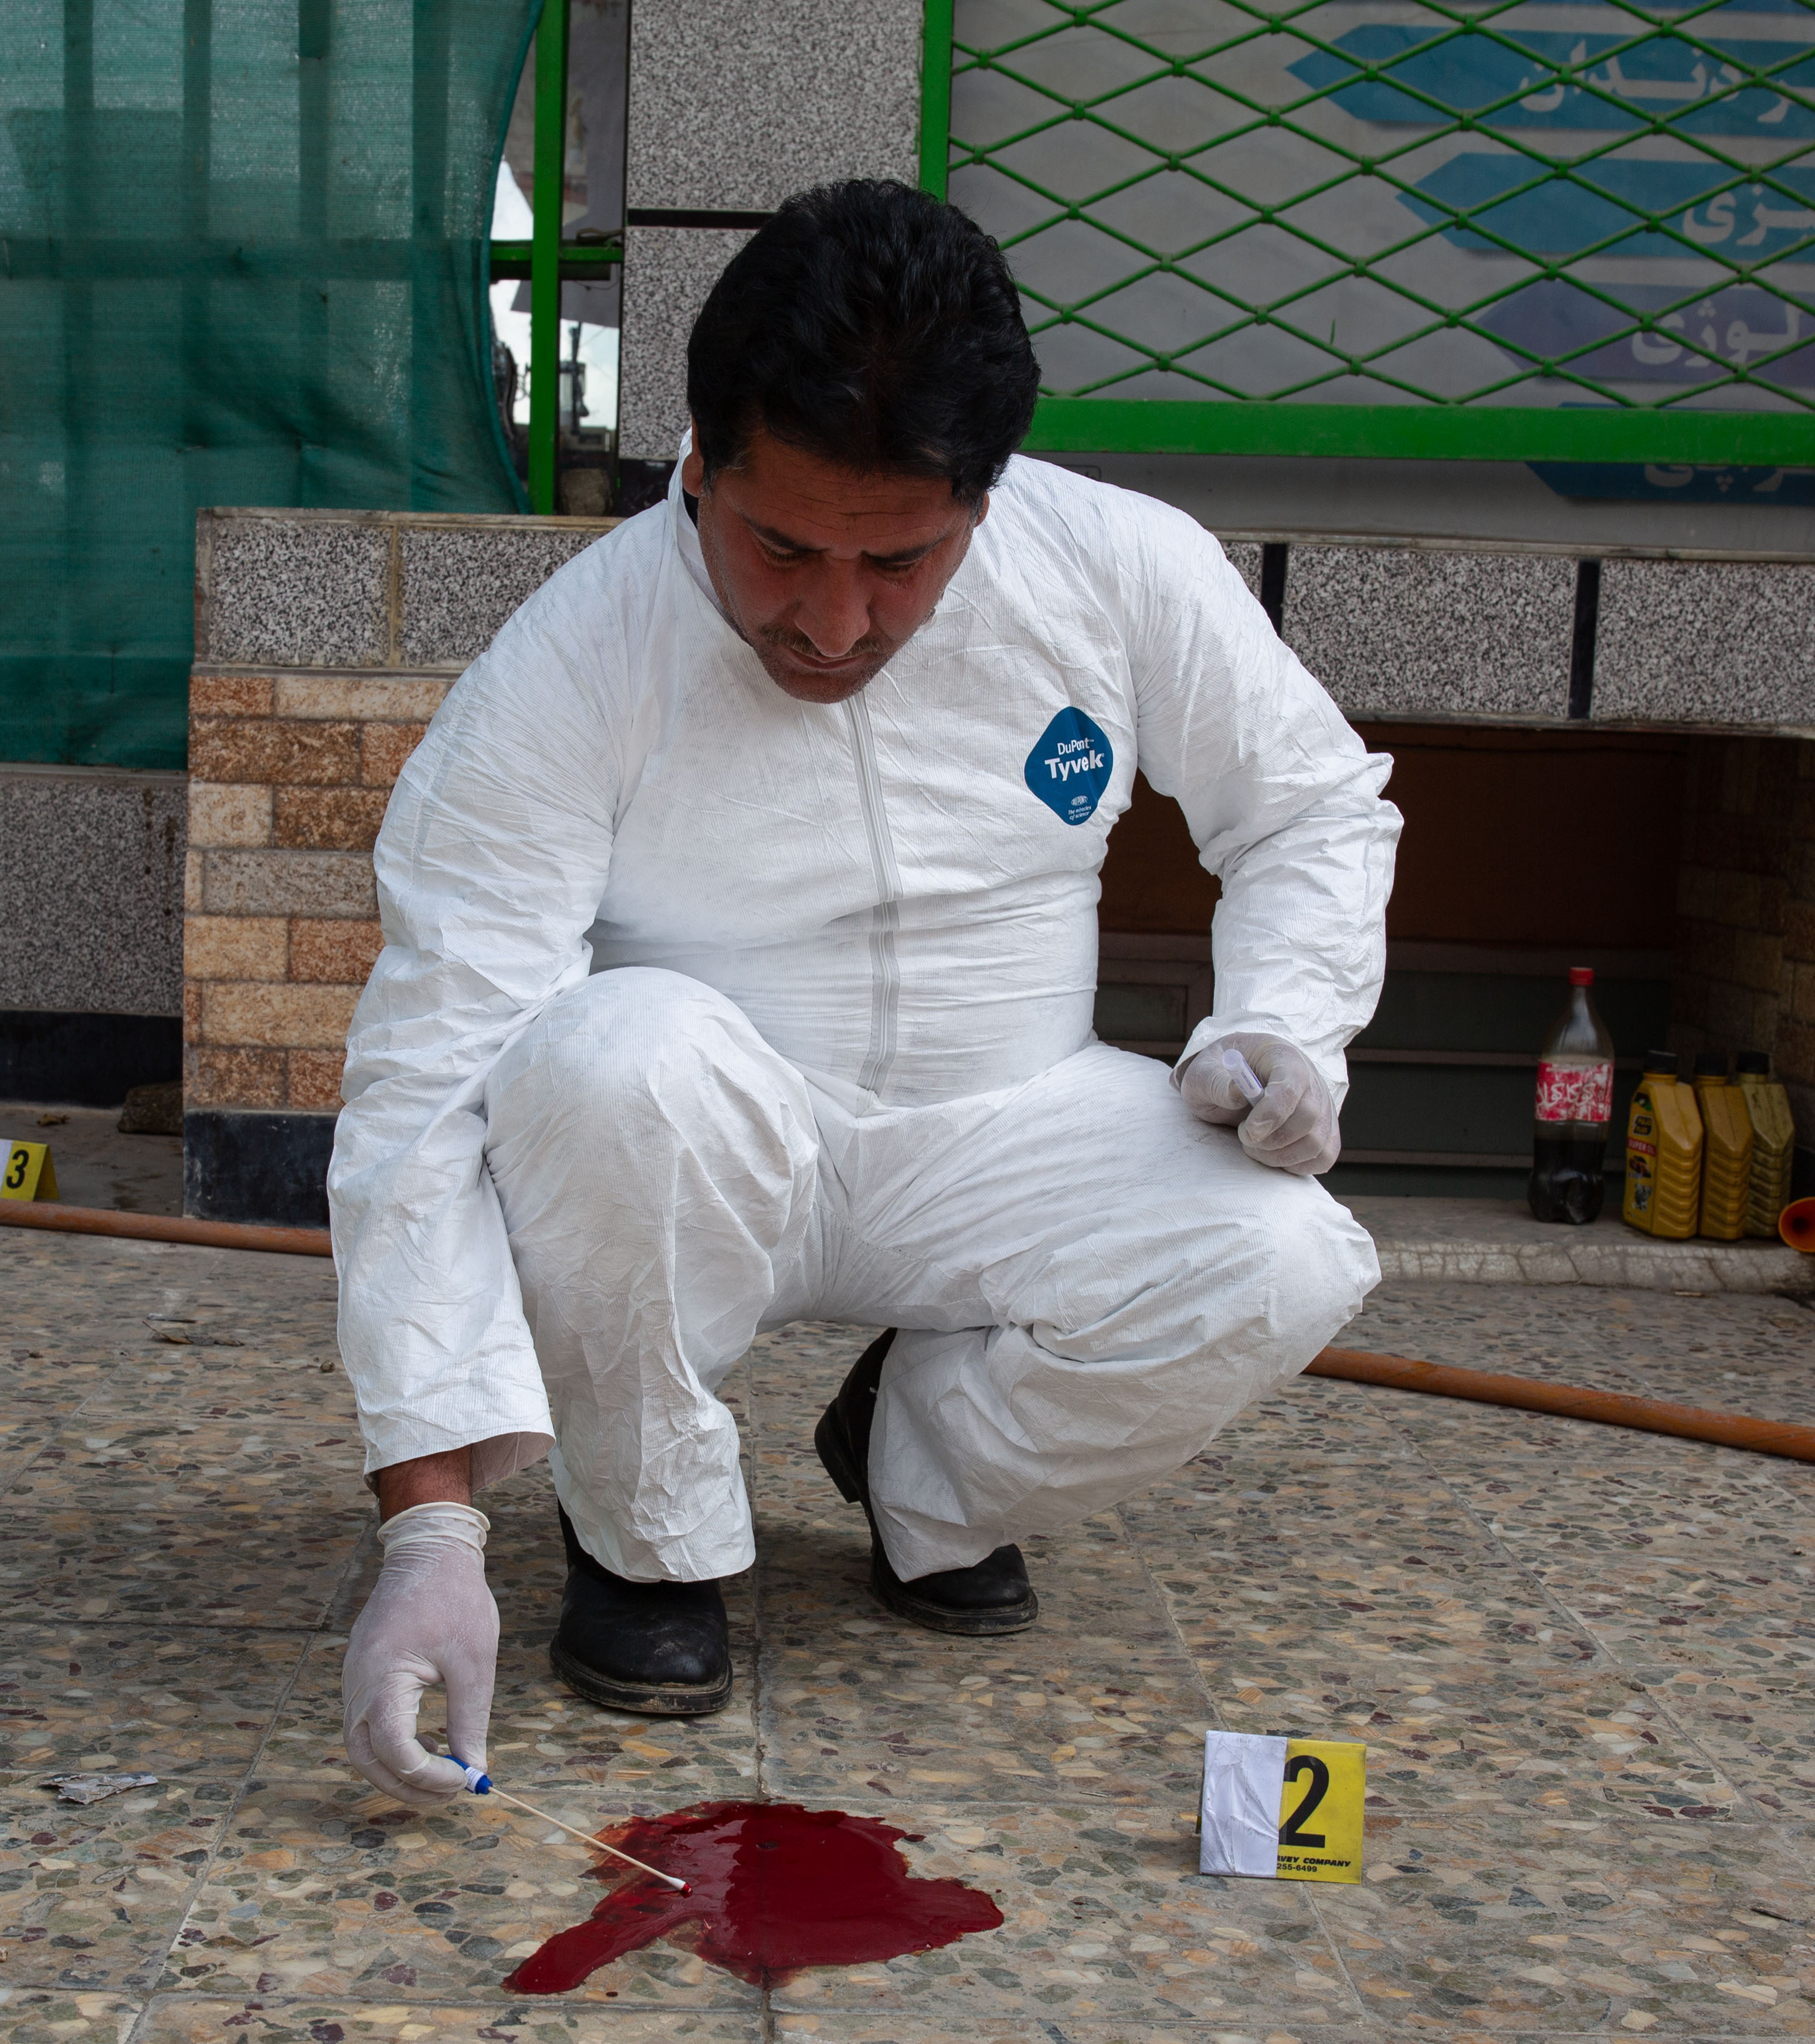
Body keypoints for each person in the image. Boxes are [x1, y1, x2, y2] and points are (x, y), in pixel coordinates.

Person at [331, 179, 1399, 1809]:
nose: (832, 622)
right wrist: (428, 1526)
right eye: (778, 547)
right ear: (698, 460)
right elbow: (432, 1071)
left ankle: (922, 1467)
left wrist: (1282, 1025)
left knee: (1285, 1250)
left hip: (1000, 1127)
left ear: (985, 497)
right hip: (700, 1153)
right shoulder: (570, 660)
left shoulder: (1118, 567)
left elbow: (1309, 808)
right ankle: (647, 1541)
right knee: (611, 1063)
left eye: (898, 563)